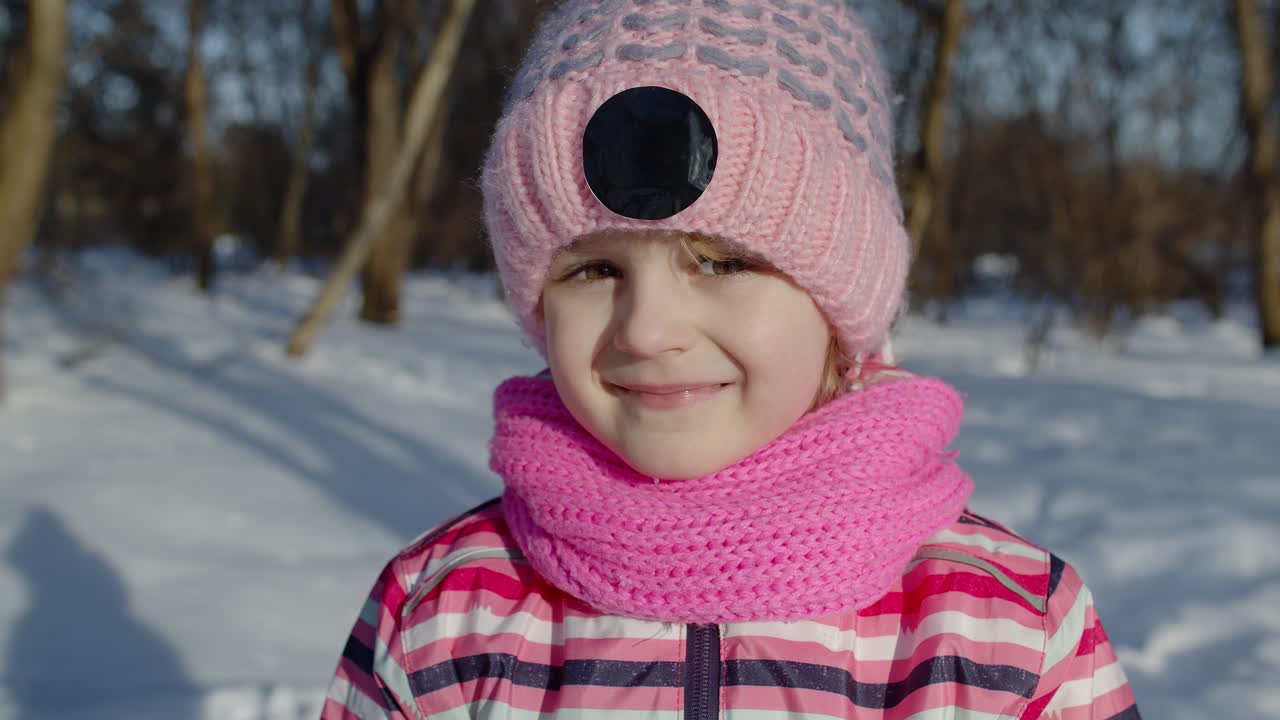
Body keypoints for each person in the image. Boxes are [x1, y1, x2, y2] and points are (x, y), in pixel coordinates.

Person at [322, 1, 1141, 718]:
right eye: (594, 270)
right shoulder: (443, 614)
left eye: (722, 263)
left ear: (838, 302)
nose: (648, 331)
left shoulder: (1009, 633)